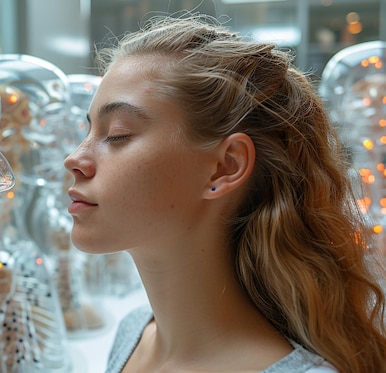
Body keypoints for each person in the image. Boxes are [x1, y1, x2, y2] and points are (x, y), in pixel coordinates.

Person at [64, 14, 386, 373]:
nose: (75, 159)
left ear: (225, 167)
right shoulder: (132, 334)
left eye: (117, 134)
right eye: (88, 129)